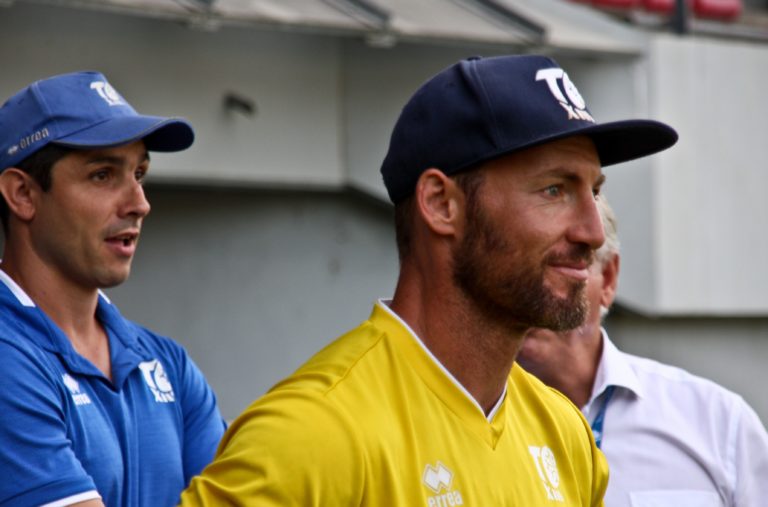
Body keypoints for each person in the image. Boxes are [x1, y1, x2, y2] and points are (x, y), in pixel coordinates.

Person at [180, 55, 677, 506]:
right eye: (554, 189)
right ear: (441, 204)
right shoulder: (312, 433)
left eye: (594, 191)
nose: (593, 231)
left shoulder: (566, 435)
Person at [0, 71, 226, 507]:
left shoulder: (168, 363)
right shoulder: (7, 356)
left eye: (139, 173)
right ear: (22, 194)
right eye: (103, 175)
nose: (139, 203)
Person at [517, 196, 768, 507]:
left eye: (559, 268)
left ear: (608, 279)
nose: (529, 297)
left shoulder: (718, 424)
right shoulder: (469, 424)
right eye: (517, 273)